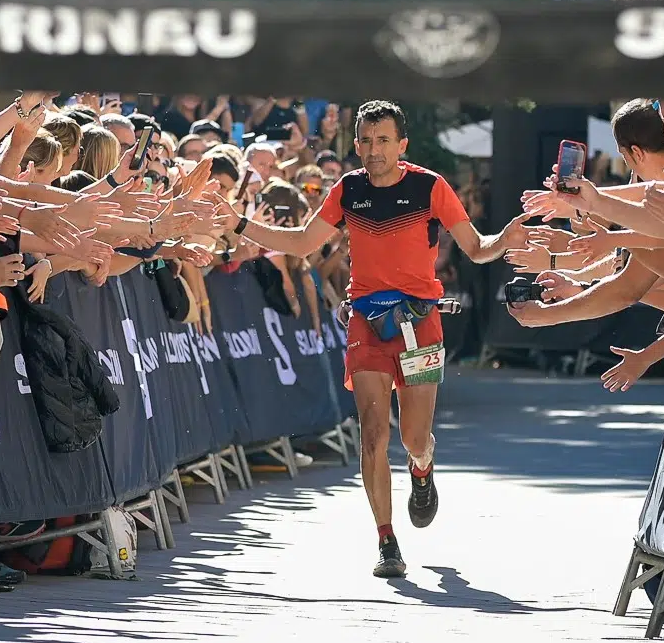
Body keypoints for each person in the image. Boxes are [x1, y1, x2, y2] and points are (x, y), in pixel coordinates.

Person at [225, 100, 529, 578]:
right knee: (373, 435)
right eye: (365, 141)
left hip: (420, 322)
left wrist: (506, 238)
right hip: (366, 322)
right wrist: (239, 224)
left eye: (383, 140)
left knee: (413, 437)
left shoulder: (430, 186)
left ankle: (423, 468)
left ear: (402, 144)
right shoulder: (348, 190)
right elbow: (305, 242)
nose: (373, 150)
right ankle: (387, 540)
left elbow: (475, 247)